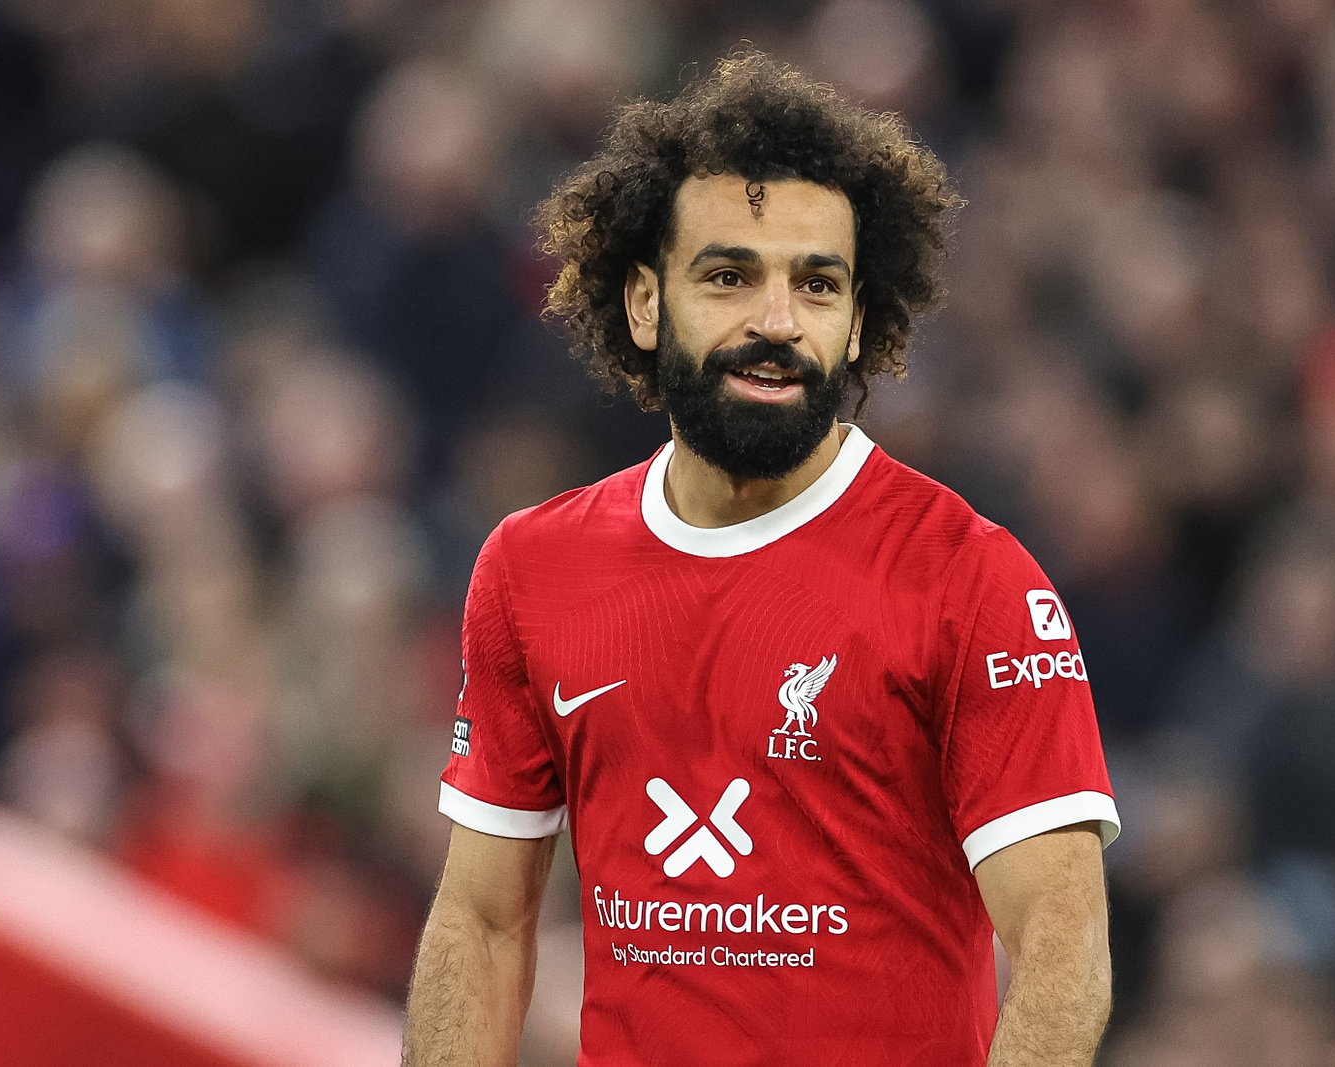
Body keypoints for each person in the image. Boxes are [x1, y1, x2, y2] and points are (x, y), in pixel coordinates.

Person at [402, 52, 1120, 1067]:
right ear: (646, 304)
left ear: (860, 319)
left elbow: (1060, 948)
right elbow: (480, 919)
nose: (776, 322)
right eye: (730, 275)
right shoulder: (531, 567)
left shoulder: (974, 582)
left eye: (816, 284)